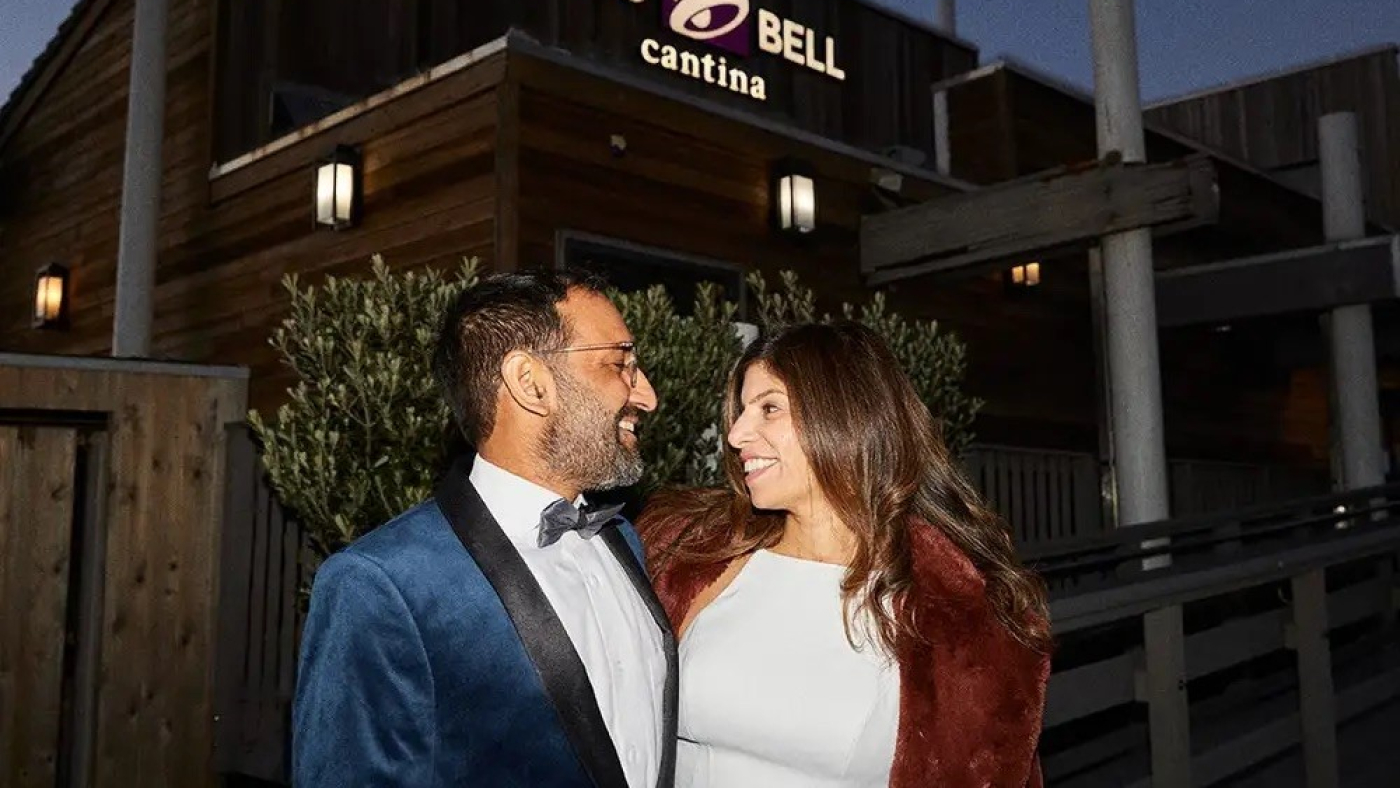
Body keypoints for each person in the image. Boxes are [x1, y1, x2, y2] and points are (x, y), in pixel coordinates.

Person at [292, 270, 678, 788]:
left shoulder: (621, 540)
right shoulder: (380, 584)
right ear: (530, 383)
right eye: (621, 364)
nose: (646, 395)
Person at [637, 321, 1052, 788]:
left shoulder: (954, 615)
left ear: (844, 418)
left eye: (768, 408)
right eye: (740, 411)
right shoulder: (685, 551)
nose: (735, 436)